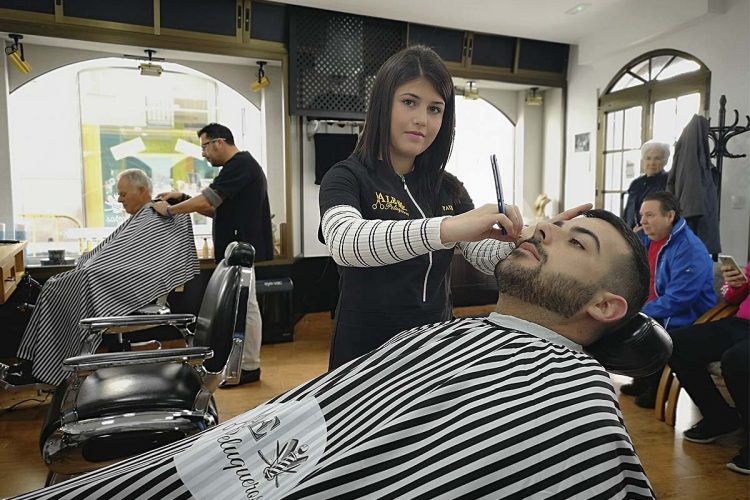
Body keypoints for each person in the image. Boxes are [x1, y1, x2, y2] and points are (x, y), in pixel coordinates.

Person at [12, 209, 657, 500]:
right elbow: (350, 240)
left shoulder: (576, 415)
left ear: (604, 307)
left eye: (575, 241)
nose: (543, 228)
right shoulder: (355, 184)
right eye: (411, 105)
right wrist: (461, 228)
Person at [319, 45, 588, 369]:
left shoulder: (447, 186)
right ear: (382, 104)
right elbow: (345, 243)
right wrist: (448, 227)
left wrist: (528, 238)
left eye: (435, 109)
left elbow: (482, 255)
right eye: (409, 102)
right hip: (366, 351)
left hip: (433, 345)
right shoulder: (347, 175)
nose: (422, 119)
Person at [4, 169, 199, 386]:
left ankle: (45, 368)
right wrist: (91, 265)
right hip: (106, 280)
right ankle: (35, 363)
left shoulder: (156, 215)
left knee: (54, 289)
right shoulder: (147, 214)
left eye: (123, 194)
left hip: (125, 290)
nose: (119, 199)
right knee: (53, 289)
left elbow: (150, 267)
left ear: (141, 190)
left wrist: (93, 272)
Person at [154, 123, 273, 386]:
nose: (204, 155)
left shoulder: (241, 164)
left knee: (245, 307)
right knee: (243, 306)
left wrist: (170, 211)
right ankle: (242, 364)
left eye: (205, 147)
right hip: (236, 249)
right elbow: (215, 208)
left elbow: (208, 200)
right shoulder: (236, 169)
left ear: (219, 142)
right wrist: (182, 197)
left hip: (243, 250)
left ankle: (249, 366)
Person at [620, 191, 716, 407]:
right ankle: (643, 378)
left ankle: (655, 387)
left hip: (686, 314)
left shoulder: (689, 248)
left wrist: (639, 311)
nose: (642, 221)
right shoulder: (647, 241)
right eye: (642, 215)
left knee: (640, 326)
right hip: (656, 305)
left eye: (650, 215)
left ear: (669, 216)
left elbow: (680, 299)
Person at [669, 260, 749, 475]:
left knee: (736, 359)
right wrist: (736, 285)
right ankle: (720, 416)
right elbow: (732, 298)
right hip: (741, 324)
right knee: (675, 343)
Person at [622, 140, 670, 232]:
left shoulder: (667, 182)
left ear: (665, 161)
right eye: (648, 158)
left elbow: (666, 215)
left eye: (657, 158)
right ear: (643, 161)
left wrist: (644, 229)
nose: (652, 163)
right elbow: (628, 212)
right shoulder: (636, 183)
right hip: (631, 234)